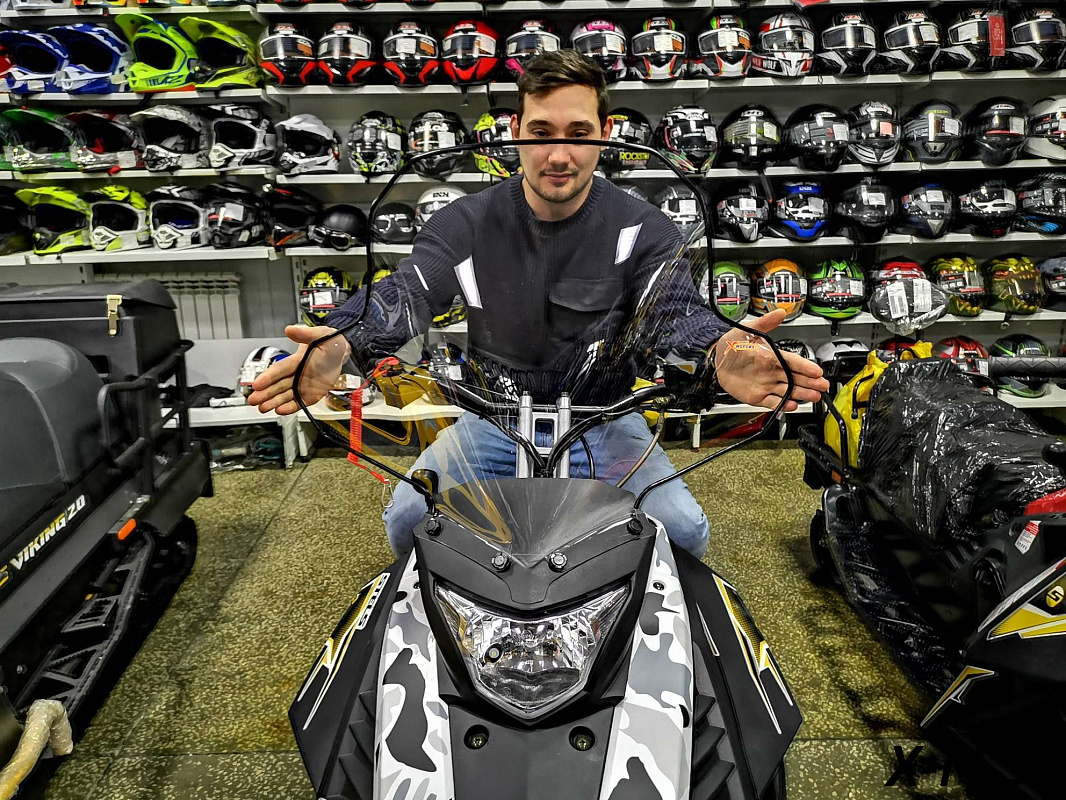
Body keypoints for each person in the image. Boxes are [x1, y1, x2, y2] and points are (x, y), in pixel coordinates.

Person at [248, 49, 829, 558]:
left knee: (681, 532)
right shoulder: (465, 222)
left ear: (605, 133)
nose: (558, 154)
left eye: (578, 133)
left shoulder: (644, 227)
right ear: (516, 132)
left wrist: (721, 347)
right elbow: (405, 293)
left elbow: (674, 310)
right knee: (407, 524)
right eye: (541, 131)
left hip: (604, 417)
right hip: (493, 420)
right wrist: (342, 340)